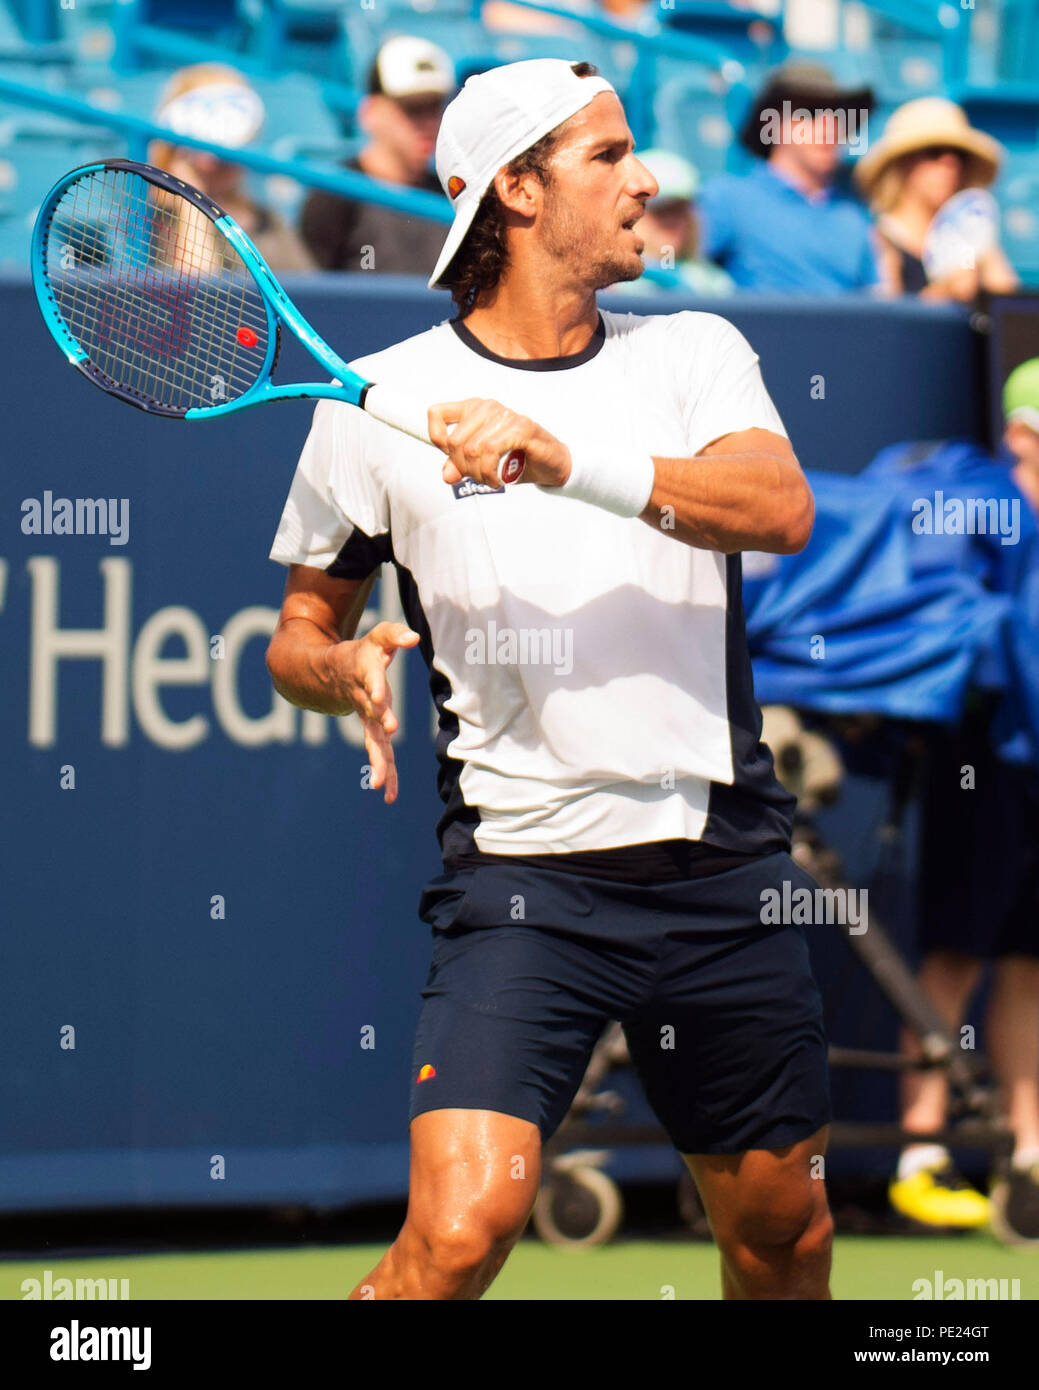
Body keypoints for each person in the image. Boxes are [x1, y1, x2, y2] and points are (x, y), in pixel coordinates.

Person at [267, 58, 832, 1300]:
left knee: (782, 1238)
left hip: (719, 863)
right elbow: (298, 631)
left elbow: (778, 508)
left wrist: (566, 456)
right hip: (522, 886)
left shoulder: (695, 349)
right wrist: (337, 665)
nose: (645, 184)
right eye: (608, 157)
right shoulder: (380, 404)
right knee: (456, 1239)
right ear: (516, 192)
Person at [890, 358, 1039, 1241]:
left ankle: (1026, 1150)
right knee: (956, 950)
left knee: (1030, 960)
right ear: (1019, 434)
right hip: (978, 755)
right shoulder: (975, 506)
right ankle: (919, 1150)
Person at [698, 61, 883, 293]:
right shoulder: (727, 198)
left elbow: (879, 303)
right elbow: (677, 272)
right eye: (812, 112)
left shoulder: (857, 212)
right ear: (773, 124)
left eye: (841, 115)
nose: (829, 124)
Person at [300, 36, 453, 274]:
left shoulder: (451, 195)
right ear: (370, 112)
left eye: (434, 107)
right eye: (412, 109)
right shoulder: (333, 196)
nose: (428, 123)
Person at [150, 63, 315, 274]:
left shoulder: (268, 222)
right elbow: (200, 294)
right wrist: (190, 198)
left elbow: (311, 294)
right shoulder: (150, 220)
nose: (216, 160)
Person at [854, 97, 1020, 302]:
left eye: (959, 155)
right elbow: (889, 323)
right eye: (934, 153)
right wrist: (947, 290)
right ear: (903, 164)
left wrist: (982, 255)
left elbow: (1010, 312)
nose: (950, 164)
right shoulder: (880, 242)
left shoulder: (969, 239)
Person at [608, 148, 735, 296]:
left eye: (679, 210)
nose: (671, 220)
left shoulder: (715, 284)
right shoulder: (607, 284)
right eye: (660, 211)